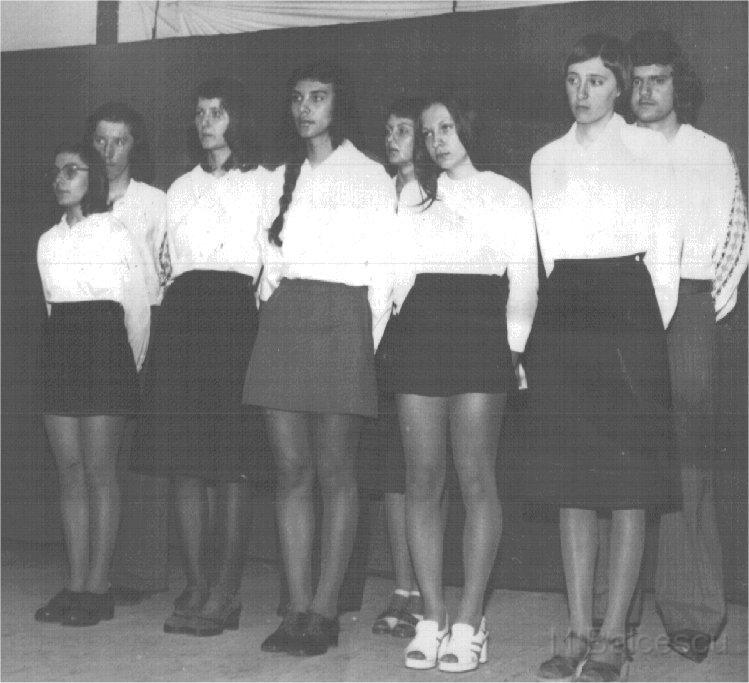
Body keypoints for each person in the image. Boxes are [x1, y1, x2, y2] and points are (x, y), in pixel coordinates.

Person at [527, 34, 682, 682]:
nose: (582, 92)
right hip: (566, 307)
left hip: (628, 309)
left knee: (626, 485)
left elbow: (666, 256)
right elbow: (546, 255)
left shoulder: (652, 152)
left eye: (594, 80)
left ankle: (614, 635)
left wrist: (641, 337)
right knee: (571, 482)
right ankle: (577, 630)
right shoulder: (544, 159)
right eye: (572, 79)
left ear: (619, 86)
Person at [244, 62, 396, 656]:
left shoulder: (369, 175)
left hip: (343, 319)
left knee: (336, 472)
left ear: (339, 105)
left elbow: (384, 270)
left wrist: (363, 342)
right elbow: (268, 257)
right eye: (298, 97)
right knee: (290, 471)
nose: (305, 107)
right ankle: (298, 605)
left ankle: (327, 608)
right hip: (285, 319)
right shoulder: (280, 176)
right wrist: (272, 303)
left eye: (318, 97)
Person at [392, 96, 538, 672]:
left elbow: (524, 279)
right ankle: (431, 617)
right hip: (420, 330)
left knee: (476, 477)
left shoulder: (508, 193)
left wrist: (513, 349)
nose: (437, 141)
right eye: (428, 132)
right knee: (422, 479)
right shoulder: (412, 195)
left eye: (447, 128)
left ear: (470, 128)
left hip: (481, 331)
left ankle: (471, 620)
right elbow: (396, 273)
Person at [132, 78, 271, 636]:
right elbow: (167, 266)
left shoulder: (264, 182)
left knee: (231, 462)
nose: (206, 122)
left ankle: (225, 591)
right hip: (184, 318)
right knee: (185, 461)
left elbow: (271, 259)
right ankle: (194, 583)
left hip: (234, 317)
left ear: (237, 118)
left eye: (217, 112)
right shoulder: (179, 188)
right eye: (199, 113)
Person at [626, 29, 745, 663]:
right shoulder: (612, 150)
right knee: (617, 457)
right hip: (622, 312)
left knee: (687, 464)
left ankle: (692, 611)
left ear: (681, 86)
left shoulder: (710, 153)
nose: (646, 91)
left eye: (659, 80)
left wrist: (697, 310)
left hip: (690, 316)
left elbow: (734, 241)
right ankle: (611, 613)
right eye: (637, 81)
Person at [35, 141, 150, 627]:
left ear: (93, 178)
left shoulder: (118, 233)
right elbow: (50, 307)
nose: (60, 179)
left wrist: (129, 367)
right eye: (56, 171)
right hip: (61, 353)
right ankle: (76, 582)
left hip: (105, 352)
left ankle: (99, 587)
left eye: (72, 170)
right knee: (70, 471)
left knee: (101, 472)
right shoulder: (47, 241)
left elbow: (137, 311)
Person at [86, 102, 170, 605]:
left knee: (138, 454)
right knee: (95, 458)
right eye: (101, 140)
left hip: (143, 327)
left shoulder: (154, 201)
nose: (109, 151)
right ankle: (93, 569)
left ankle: (140, 573)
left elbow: (164, 267)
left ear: (135, 145)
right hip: (90, 330)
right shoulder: (79, 194)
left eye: (119, 140)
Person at [369, 97, 432, 640]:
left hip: (424, 333)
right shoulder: (375, 192)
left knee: (424, 470)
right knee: (392, 470)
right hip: (380, 334)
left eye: (404, 130)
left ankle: (429, 594)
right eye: (388, 130)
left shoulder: (438, 195)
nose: (392, 139)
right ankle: (402, 586)